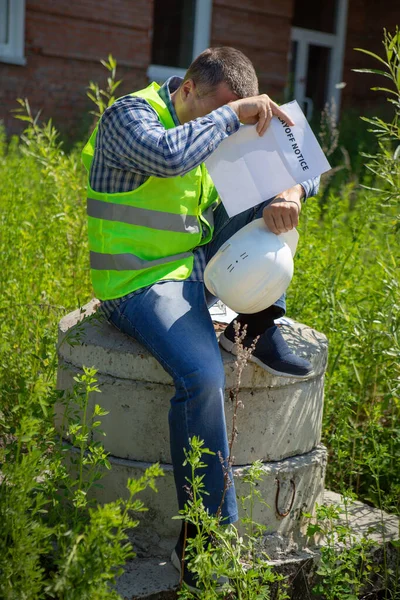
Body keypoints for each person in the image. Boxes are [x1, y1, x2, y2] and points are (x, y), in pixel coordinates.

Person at [82, 46, 319, 592]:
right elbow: (168, 158)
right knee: (204, 376)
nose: (228, 125)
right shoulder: (128, 117)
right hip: (137, 282)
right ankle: (206, 540)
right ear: (188, 88)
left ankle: (256, 324)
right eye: (219, 109)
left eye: (235, 113)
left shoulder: (212, 118)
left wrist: (288, 190)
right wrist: (234, 116)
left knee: (269, 188)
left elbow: (303, 153)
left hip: (194, 271)